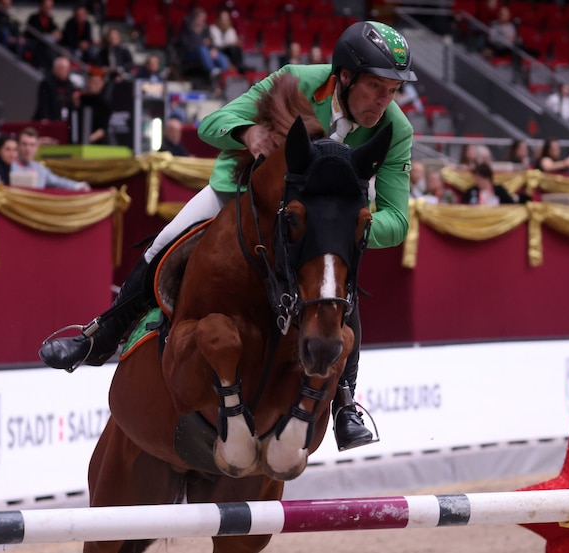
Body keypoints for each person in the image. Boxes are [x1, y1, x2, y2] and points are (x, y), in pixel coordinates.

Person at [39, 20, 418, 452]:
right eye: (376, 88)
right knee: (166, 241)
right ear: (344, 76)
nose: (384, 102)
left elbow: (398, 221)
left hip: (308, 229)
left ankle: (345, 403)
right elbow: (212, 123)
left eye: (393, 91)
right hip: (242, 199)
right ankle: (100, 335)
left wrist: (351, 224)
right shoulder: (295, 82)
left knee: (334, 287)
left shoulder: (396, 131)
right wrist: (247, 132)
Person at [12, 127, 91, 190]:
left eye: (32, 145)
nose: (28, 149)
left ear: (37, 147)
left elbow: (58, 181)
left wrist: (78, 185)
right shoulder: (9, 167)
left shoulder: (40, 169)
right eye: (24, 144)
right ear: (17, 146)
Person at [179, 8, 229, 82]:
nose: (202, 20)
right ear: (195, 18)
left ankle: (222, 74)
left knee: (222, 57)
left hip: (206, 52)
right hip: (191, 53)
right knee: (202, 49)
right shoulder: (188, 29)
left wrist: (212, 49)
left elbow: (210, 41)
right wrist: (201, 42)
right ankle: (212, 70)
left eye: (204, 18)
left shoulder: (205, 29)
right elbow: (187, 45)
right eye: (200, 18)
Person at [33, 56, 77, 121]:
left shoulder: (70, 85)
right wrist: (45, 117)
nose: (65, 71)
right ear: (55, 68)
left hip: (64, 120)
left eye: (67, 69)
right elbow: (43, 103)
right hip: (49, 119)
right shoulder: (47, 83)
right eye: (63, 68)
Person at [77, 68, 112, 144]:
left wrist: (87, 140)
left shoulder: (104, 104)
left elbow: (102, 130)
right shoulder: (80, 100)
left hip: (97, 144)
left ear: (102, 83)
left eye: (96, 82)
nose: (93, 85)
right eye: (91, 81)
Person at [25, 0, 61, 70]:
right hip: (34, 44)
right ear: (41, 6)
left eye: (50, 7)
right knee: (48, 40)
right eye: (47, 7)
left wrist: (57, 34)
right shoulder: (33, 18)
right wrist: (51, 35)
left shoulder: (50, 20)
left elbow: (56, 31)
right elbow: (35, 34)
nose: (49, 9)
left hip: (47, 47)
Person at [209, 8, 245, 74]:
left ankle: (239, 67)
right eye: (223, 19)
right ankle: (237, 67)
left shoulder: (231, 30)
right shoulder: (213, 28)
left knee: (236, 48)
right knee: (232, 48)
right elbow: (217, 43)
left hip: (229, 50)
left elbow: (233, 41)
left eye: (226, 19)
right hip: (218, 50)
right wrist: (230, 43)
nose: (225, 21)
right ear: (219, 19)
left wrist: (236, 42)